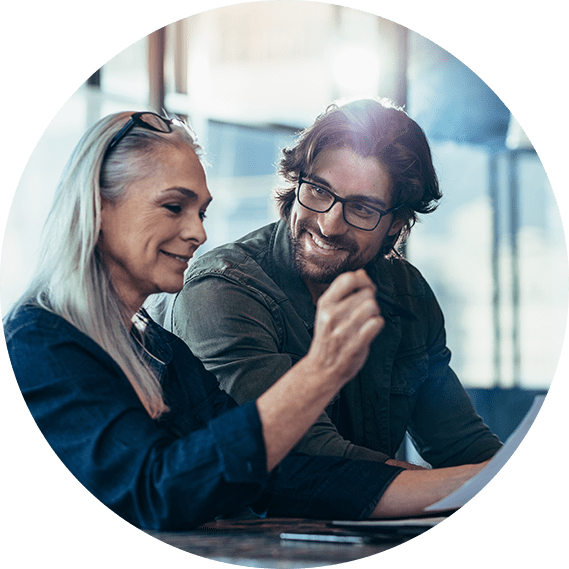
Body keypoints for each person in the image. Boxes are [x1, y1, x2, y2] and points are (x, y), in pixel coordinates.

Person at [4, 110, 489, 532]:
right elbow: (154, 491)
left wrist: (485, 481)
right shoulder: (38, 343)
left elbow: (276, 474)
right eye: (174, 207)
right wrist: (321, 372)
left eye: (201, 212)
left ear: (397, 225)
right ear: (97, 206)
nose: (198, 233)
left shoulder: (156, 348)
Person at [170, 98, 502, 470]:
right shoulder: (223, 290)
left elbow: (461, 444)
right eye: (318, 191)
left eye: (362, 208)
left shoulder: (406, 292)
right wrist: (463, 483)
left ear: (396, 223)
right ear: (296, 181)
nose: (329, 225)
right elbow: (306, 461)